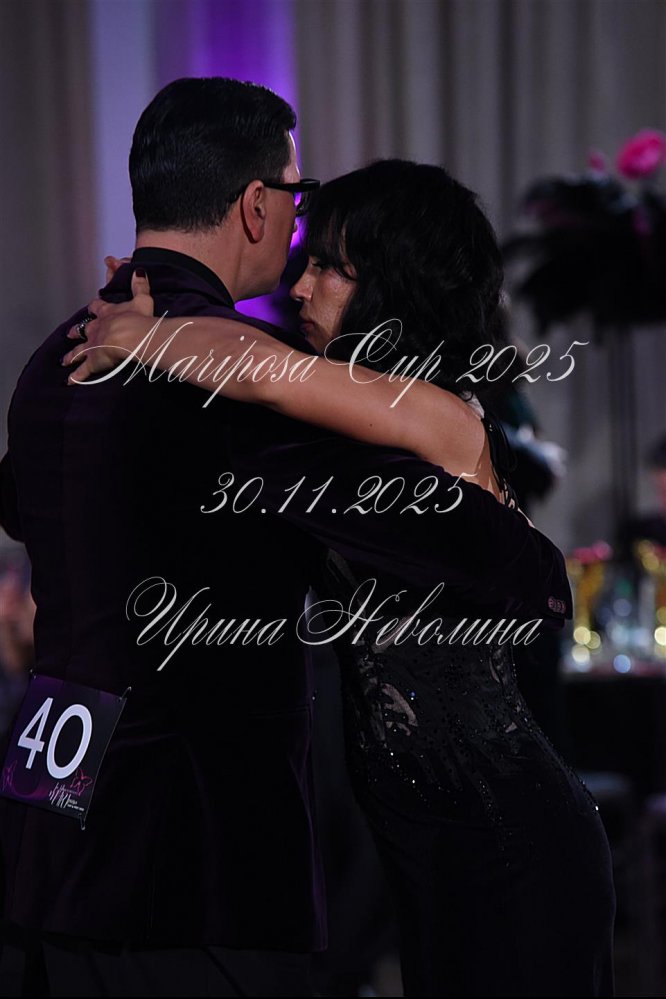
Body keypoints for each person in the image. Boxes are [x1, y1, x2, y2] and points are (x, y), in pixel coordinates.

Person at [0, 81, 572, 997]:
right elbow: (513, 573)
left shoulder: (59, 358)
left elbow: (28, 506)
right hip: (188, 862)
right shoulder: (232, 387)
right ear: (257, 205)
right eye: (297, 201)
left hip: (48, 828)